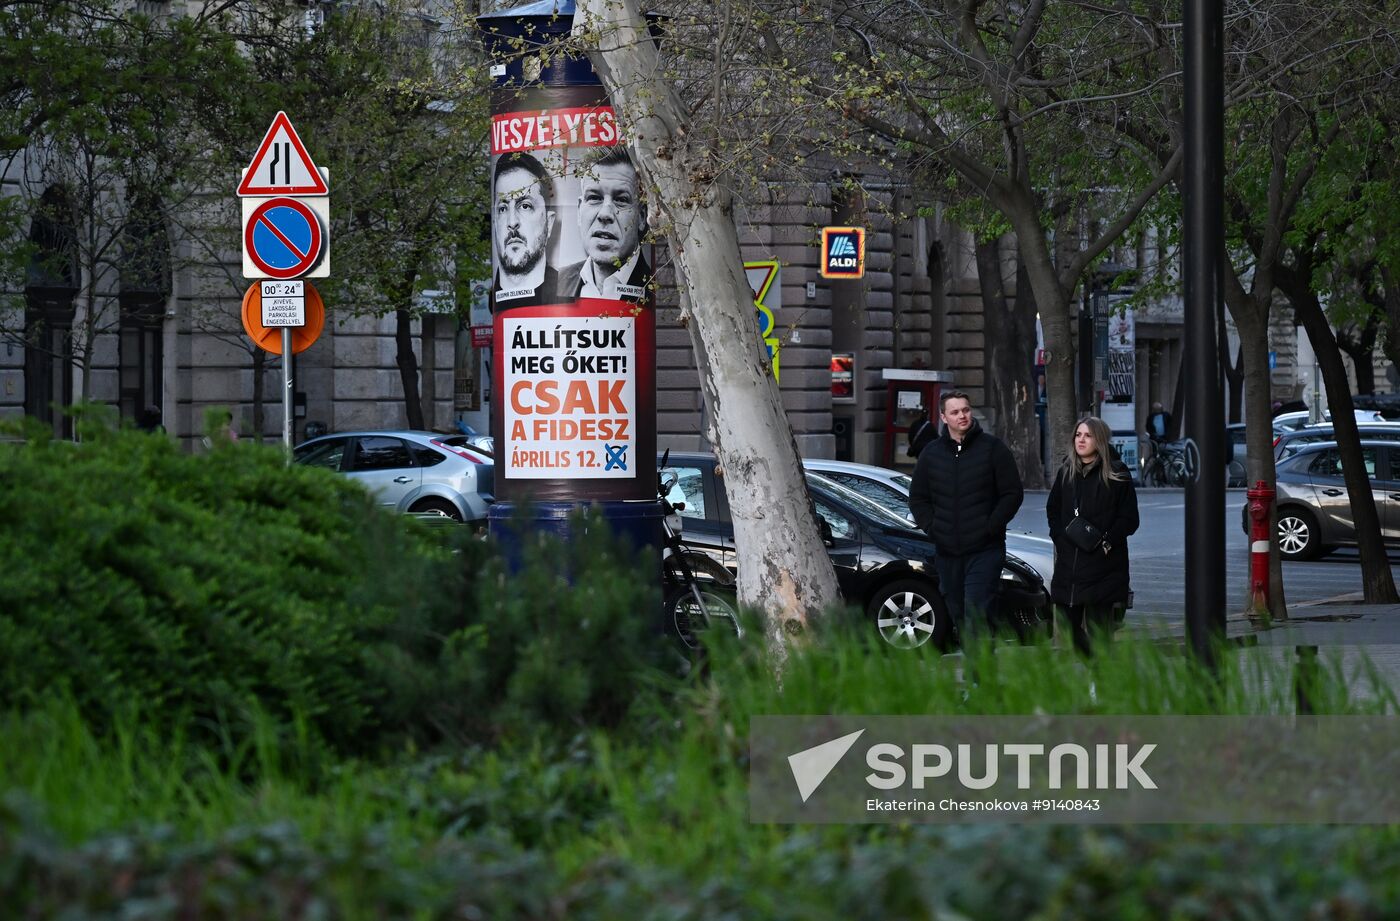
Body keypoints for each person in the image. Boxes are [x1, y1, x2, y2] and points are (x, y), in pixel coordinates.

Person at [908, 390, 1024, 648]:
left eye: (966, 410)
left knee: (978, 615)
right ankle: (978, 672)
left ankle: (978, 681)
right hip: (947, 552)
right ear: (943, 417)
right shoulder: (931, 454)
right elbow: (918, 499)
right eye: (955, 412)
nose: (962, 416)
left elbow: (1012, 493)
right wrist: (933, 528)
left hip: (985, 549)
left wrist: (990, 526)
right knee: (959, 615)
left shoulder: (993, 449)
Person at [1045, 416, 1140, 656]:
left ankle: (1100, 683)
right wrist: (1059, 538)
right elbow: (1053, 509)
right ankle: (1095, 667)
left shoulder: (1116, 473)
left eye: (1087, 435)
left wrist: (1107, 541)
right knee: (1068, 623)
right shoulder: (1067, 470)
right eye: (1078, 435)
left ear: (1099, 440)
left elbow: (1129, 519)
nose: (1081, 440)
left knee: (1100, 633)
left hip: (1103, 565)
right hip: (1071, 565)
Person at [557, 147, 650, 302]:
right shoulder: (561, 279)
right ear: (580, 211)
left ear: (641, 216)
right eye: (594, 197)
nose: (605, 214)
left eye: (621, 200)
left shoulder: (652, 287)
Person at [492, 152, 559, 309]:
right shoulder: (493, 300)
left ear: (549, 223)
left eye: (525, 206)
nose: (512, 222)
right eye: (502, 209)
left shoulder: (573, 294)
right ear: (495, 224)